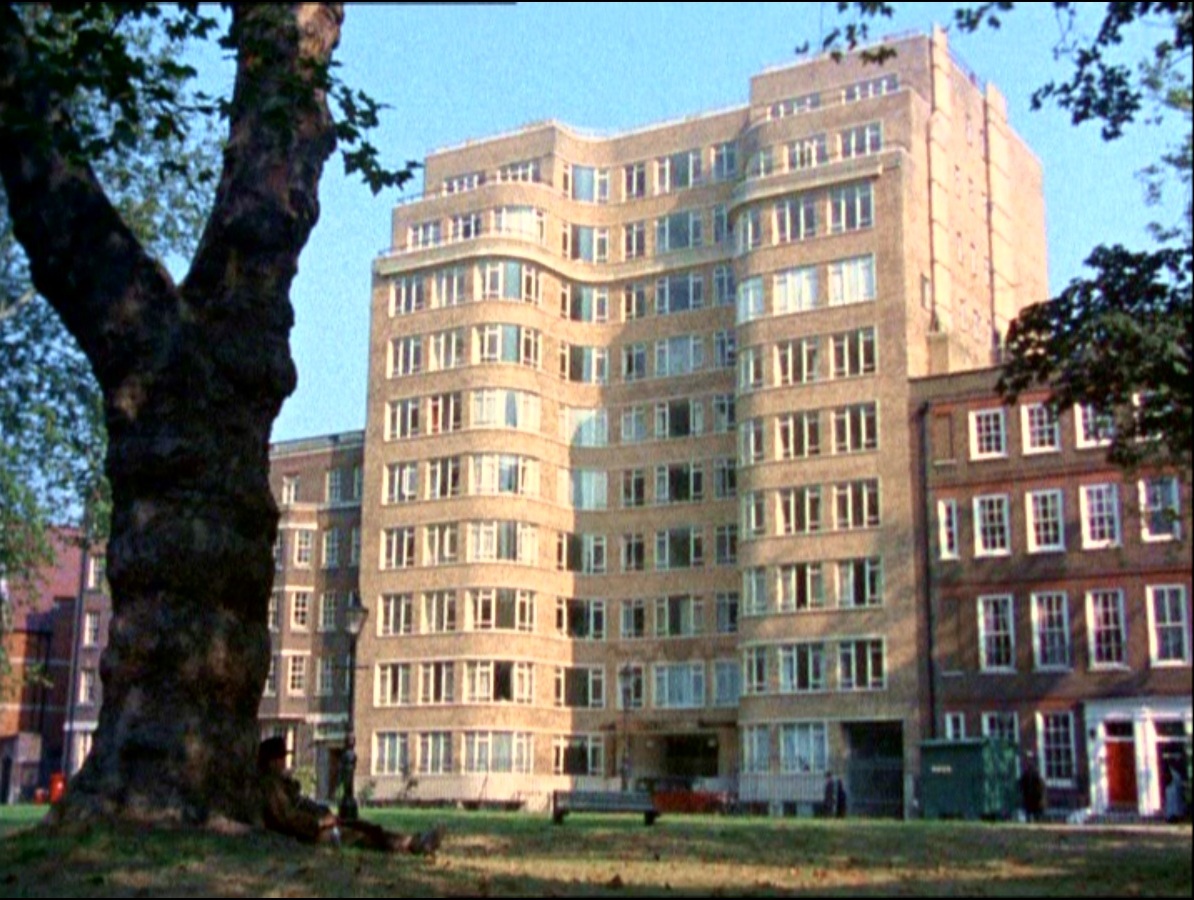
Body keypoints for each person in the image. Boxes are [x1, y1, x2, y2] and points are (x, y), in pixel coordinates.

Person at [258, 737, 443, 854]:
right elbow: (288, 818)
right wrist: (320, 823)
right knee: (358, 835)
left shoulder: (281, 783)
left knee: (363, 826)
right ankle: (410, 845)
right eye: (282, 759)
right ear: (273, 762)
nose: (284, 763)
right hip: (309, 832)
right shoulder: (270, 786)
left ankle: (411, 840)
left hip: (317, 824)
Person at [1018, 755, 1046, 823]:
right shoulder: (1026, 774)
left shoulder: (1036, 774)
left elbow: (1041, 787)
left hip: (1035, 799)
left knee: (1036, 815)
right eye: (1028, 760)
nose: (1029, 762)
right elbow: (1022, 785)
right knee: (1030, 814)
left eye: (1030, 760)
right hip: (1029, 798)